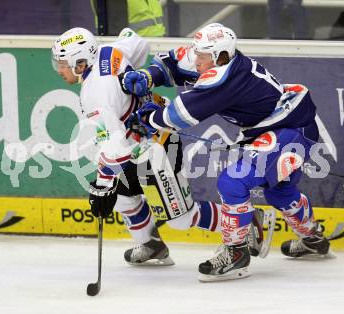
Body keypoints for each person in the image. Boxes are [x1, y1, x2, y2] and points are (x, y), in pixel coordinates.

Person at [122, 23, 331, 282]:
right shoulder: (213, 58)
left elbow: (180, 114)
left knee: (233, 182)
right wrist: (149, 76)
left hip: (291, 129)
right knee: (280, 191)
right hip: (279, 125)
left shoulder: (226, 78)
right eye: (196, 53)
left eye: (202, 56)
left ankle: (236, 254)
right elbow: (172, 63)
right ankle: (313, 239)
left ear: (220, 57)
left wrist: (151, 118)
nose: (196, 59)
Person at [50, 27, 268, 269]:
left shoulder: (95, 95)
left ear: (80, 63)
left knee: (182, 218)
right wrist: (141, 76)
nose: (59, 69)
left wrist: (102, 185)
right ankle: (151, 244)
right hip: (139, 140)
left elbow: (116, 150)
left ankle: (248, 223)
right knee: (123, 197)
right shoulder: (108, 51)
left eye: (62, 63)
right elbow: (136, 41)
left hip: (156, 146)